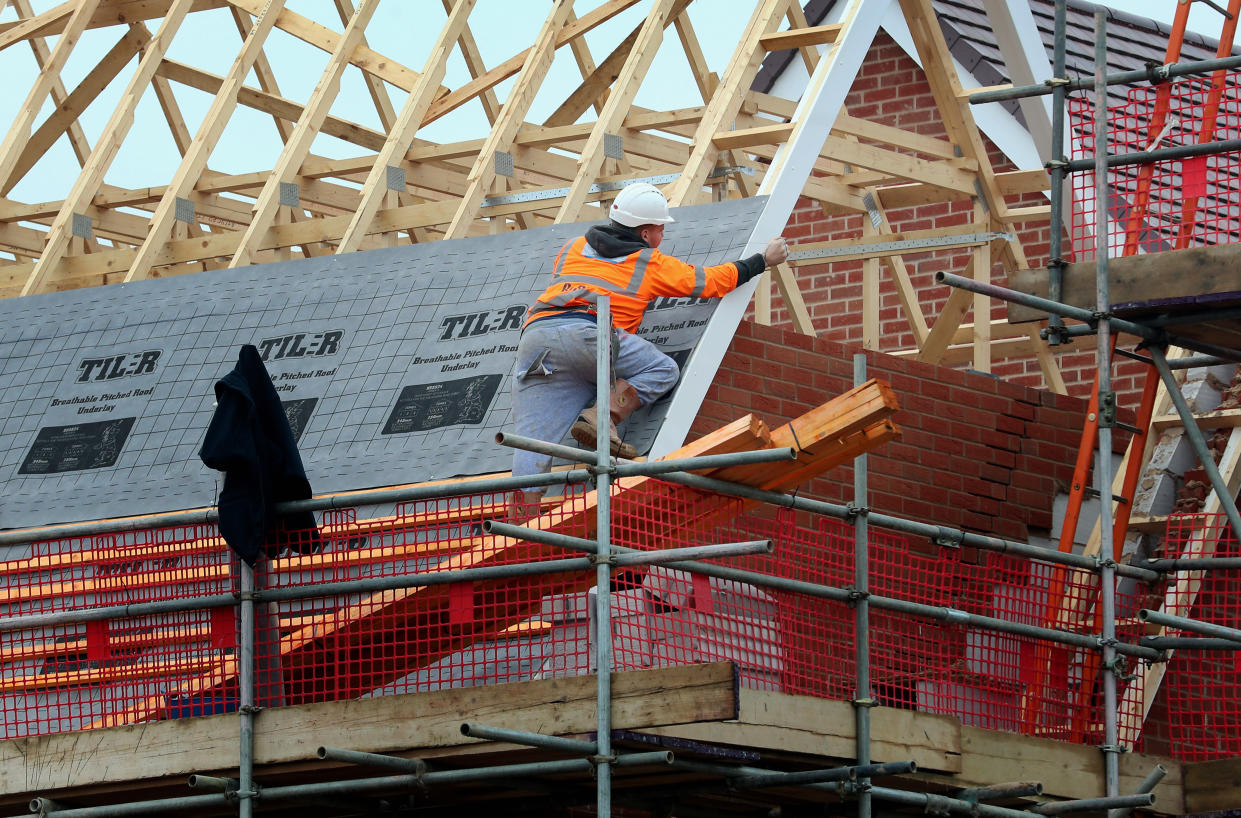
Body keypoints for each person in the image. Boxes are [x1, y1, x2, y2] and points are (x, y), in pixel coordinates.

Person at [509, 182, 789, 513]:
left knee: (531, 444)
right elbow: (711, 282)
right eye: (658, 229)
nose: (661, 236)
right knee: (662, 369)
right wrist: (762, 260)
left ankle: (516, 530)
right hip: (591, 335)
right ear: (644, 233)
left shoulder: (571, 247)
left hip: (536, 339)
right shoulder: (649, 262)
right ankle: (603, 416)